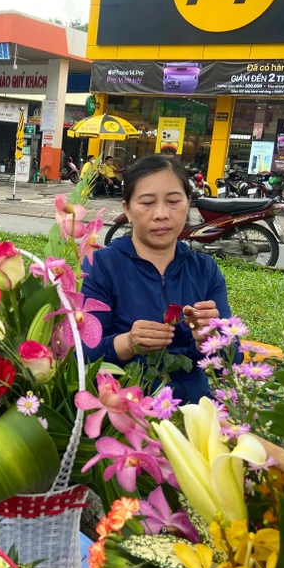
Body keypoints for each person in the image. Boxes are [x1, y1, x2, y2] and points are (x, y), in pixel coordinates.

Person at [81, 154, 231, 403]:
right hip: (126, 411)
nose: (161, 214)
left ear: (188, 203)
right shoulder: (102, 266)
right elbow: (80, 353)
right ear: (127, 209)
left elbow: (229, 363)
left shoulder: (205, 270)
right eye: (147, 203)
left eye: (173, 201)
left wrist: (210, 339)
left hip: (195, 409)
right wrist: (128, 342)